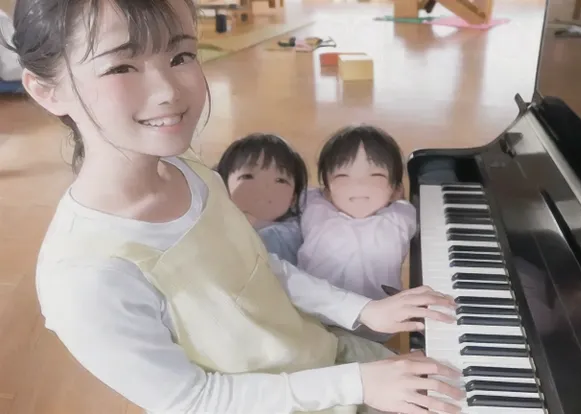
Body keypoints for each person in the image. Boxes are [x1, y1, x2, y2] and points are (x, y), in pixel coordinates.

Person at [10, 0, 465, 413]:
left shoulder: (189, 169)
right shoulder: (85, 276)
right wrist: (358, 384)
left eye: (181, 55)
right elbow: (193, 399)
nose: (169, 89)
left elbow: (257, 267)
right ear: (47, 90)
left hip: (328, 362)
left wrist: (359, 311)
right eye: (121, 66)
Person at [297, 125, 417, 343]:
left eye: (376, 176)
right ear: (326, 190)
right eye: (343, 176)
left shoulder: (399, 218)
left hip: (378, 325)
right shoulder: (316, 208)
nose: (359, 186)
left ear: (396, 190)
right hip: (313, 317)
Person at [215, 133, 308, 265]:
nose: (264, 188)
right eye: (247, 177)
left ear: (293, 198)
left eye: (280, 180)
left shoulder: (283, 236)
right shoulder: (213, 218)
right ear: (223, 186)